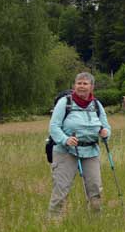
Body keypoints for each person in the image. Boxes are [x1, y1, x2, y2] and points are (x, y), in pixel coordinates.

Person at [47, 72, 111, 222]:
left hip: (91, 152)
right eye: (79, 83)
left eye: (85, 83)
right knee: (61, 189)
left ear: (92, 87)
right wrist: (65, 139)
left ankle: (96, 222)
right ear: (74, 86)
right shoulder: (65, 102)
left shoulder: (97, 105)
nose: (82, 86)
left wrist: (105, 133)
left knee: (95, 189)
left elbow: (106, 127)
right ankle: (53, 223)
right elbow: (54, 126)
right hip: (66, 152)